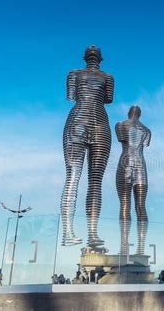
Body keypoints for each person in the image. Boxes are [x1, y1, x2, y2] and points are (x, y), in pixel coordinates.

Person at [60, 45, 114, 249]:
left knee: (78, 177)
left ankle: (83, 233)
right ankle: (75, 232)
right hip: (96, 122)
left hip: (81, 120)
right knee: (90, 180)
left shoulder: (74, 74)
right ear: (101, 58)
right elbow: (108, 99)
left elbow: (71, 96)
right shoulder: (108, 77)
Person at [115, 105, 151, 255]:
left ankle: (124, 247)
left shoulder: (120, 125)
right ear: (140, 115)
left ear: (129, 113)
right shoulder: (147, 131)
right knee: (141, 206)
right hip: (141, 167)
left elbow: (123, 141)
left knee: (125, 203)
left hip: (125, 163)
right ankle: (140, 248)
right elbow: (145, 145)